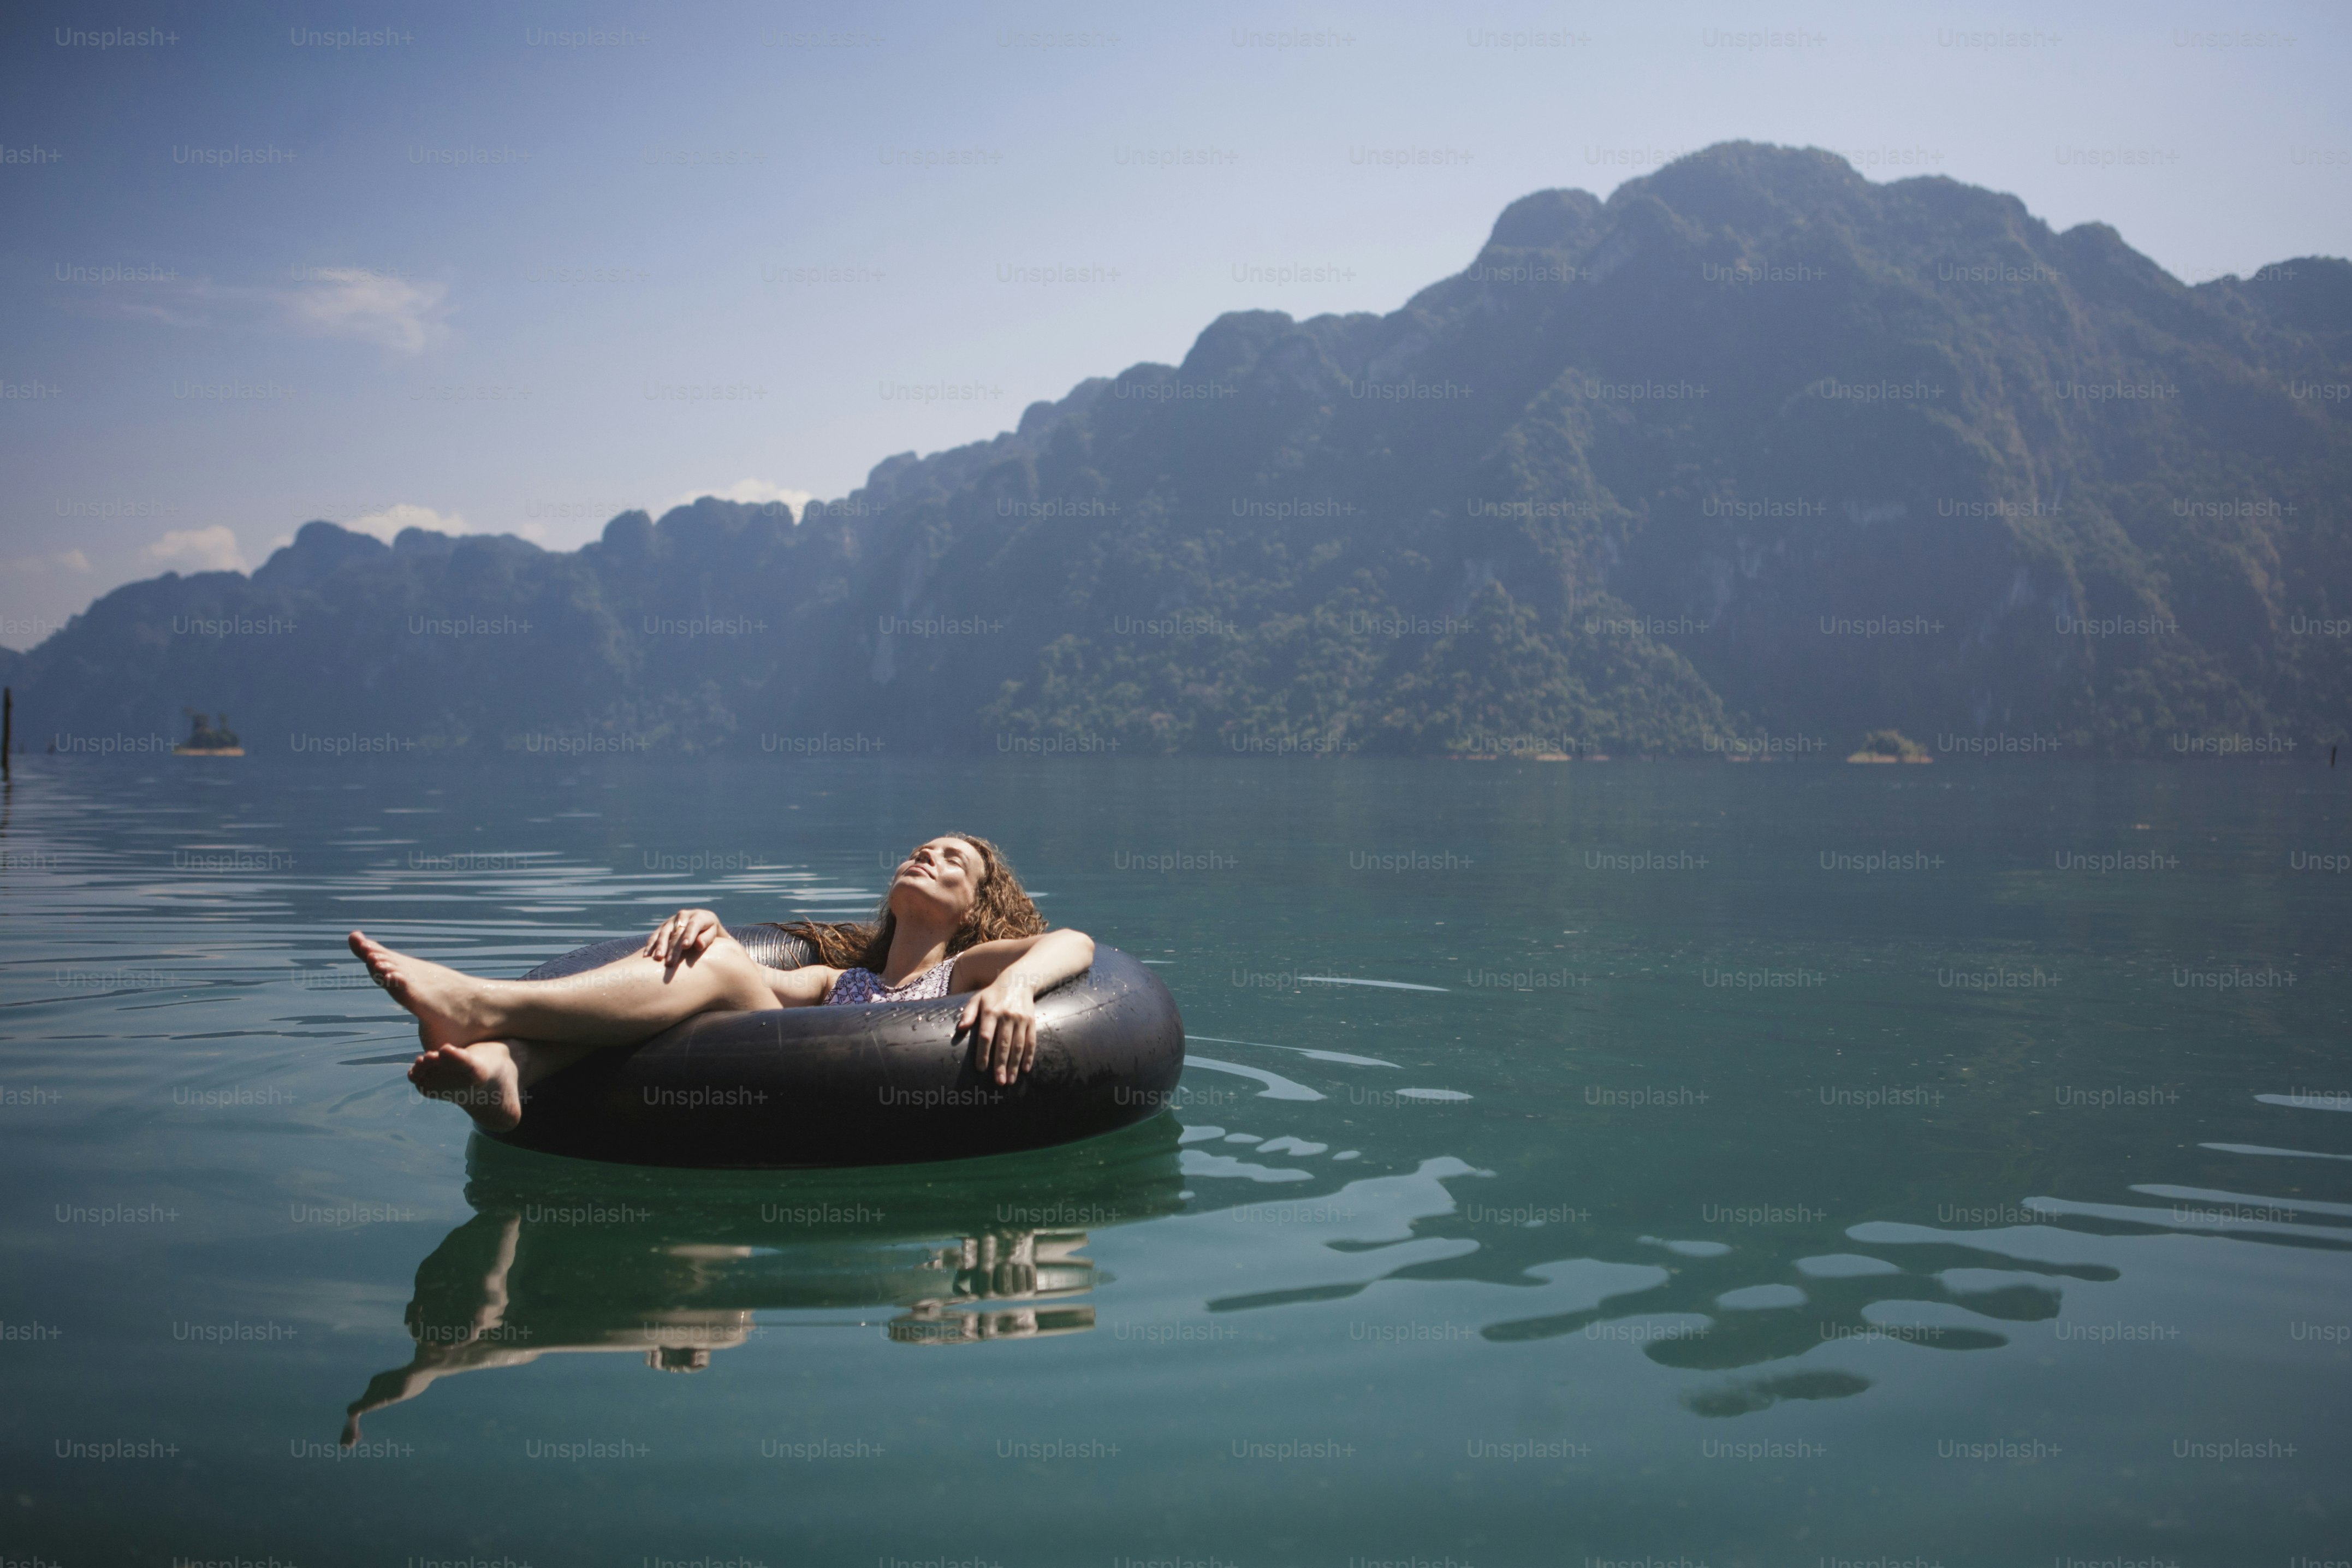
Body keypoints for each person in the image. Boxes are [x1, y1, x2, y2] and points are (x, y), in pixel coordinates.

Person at [347, 834, 1092, 1133]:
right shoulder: (837, 983)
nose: (927, 854)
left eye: (951, 860)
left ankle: (482, 1007)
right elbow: (743, 985)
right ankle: (510, 1066)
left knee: (725, 964)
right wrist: (709, 925)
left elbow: (1075, 942)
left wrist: (1018, 987)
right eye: (921, 849)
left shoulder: (965, 971)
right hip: (776, 1071)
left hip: (835, 1110)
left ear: (974, 908)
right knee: (711, 967)